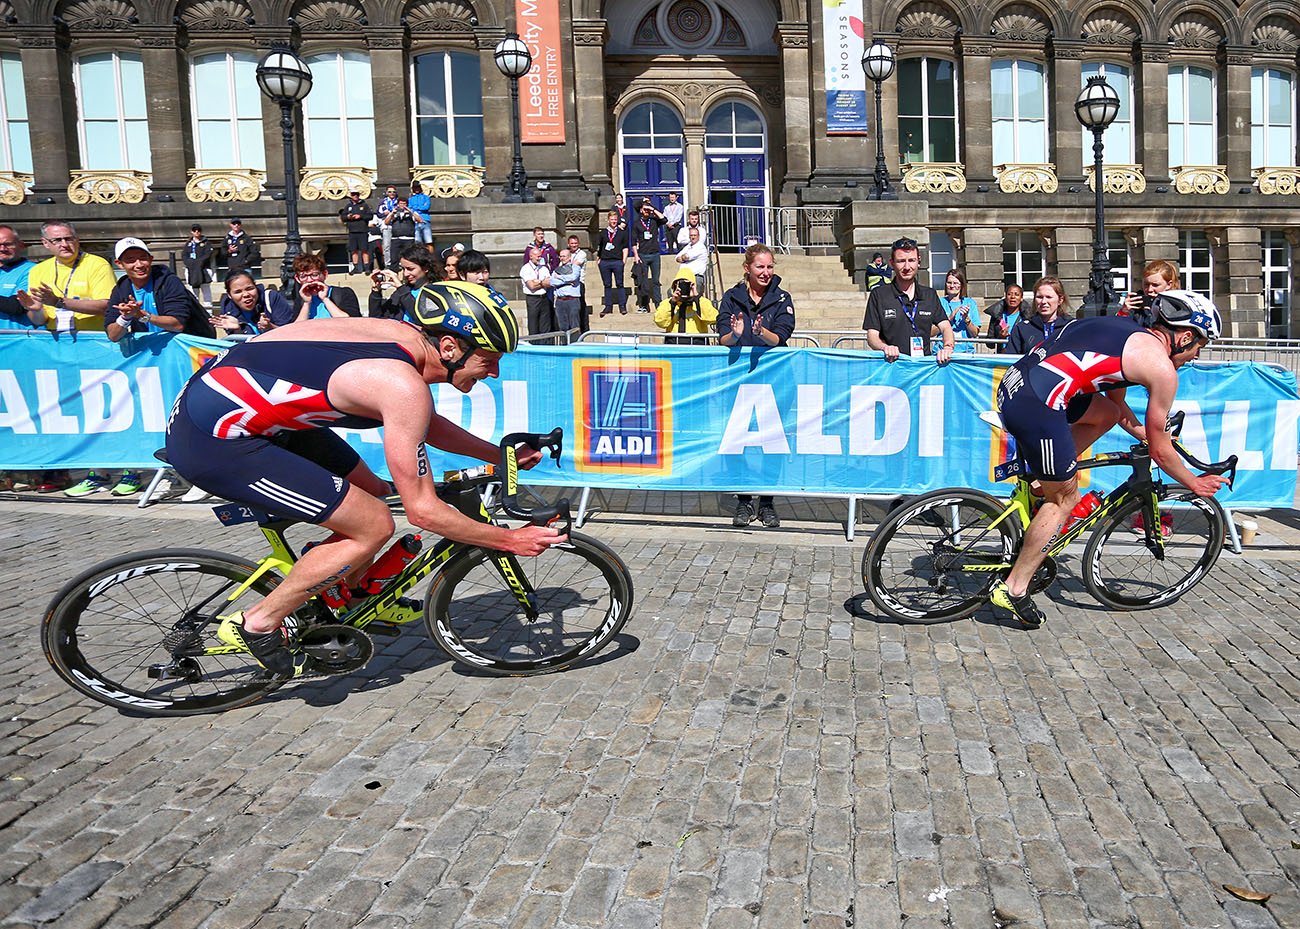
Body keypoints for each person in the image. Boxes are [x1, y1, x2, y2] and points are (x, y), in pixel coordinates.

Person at [164, 281, 562, 676]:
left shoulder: (406, 340)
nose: (493, 373)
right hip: (213, 438)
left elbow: (427, 424)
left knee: (374, 491)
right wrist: (510, 540)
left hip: (244, 411)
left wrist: (500, 455)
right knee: (372, 525)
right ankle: (262, 622)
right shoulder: (402, 385)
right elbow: (423, 512)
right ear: (450, 347)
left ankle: (351, 593)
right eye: (489, 360)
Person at [990, 290, 1227, 628]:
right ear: (1185, 336)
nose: (1195, 354)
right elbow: (1161, 451)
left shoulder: (1127, 332)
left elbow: (1117, 410)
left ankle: (1046, 481)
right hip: (1038, 402)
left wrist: (1145, 433)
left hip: (1017, 383)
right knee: (1066, 498)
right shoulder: (1162, 370)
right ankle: (1014, 588)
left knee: (1104, 412)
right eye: (1198, 346)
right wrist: (1193, 482)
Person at [716, 243, 795, 529]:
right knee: (739, 442)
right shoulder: (732, 298)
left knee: (772, 443)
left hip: (774, 381)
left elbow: (782, 336)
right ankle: (744, 499)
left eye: (770, 266)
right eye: (760, 267)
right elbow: (722, 338)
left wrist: (762, 333)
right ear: (748, 268)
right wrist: (735, 335)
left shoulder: (782, 297)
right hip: (739, 381)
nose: (766, 272)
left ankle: (768, 502)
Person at [862, 238, 955, 365]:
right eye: (901, 261)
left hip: (923, 369)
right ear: (892, 263)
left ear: (918, 262)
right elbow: (872, 336)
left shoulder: (929, 294)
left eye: (911, 260)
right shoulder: (879, 295)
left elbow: (945, 327)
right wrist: (885, 347)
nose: (907, 267)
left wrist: (948, 347)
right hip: (892, 367)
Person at [106, 237, 215, 340]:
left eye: (143, 258)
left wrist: (143, 315)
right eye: (130, 260)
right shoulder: (120, 290)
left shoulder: (169, 282)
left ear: (151, 259)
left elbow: (177, 325)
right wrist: (125, 318)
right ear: (119, 264)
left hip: (188, 350)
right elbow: (113, 336)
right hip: (150, 352)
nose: (139, 265)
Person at [20, 220, 116, 334]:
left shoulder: (98, 264)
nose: (64, 244)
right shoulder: (38, 270)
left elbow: (108, 307)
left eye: (69, 239)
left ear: (77, 240)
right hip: (57, 341)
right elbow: (39, 321)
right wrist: (36, 310)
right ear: (45, 243)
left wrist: (59, 302)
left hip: (93, 339)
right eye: (57, 240)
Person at [368, 243, 438, 322]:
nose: (405, 274)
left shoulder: (436, 292)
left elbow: (422, 318)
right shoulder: (401, 293)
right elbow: (377, 319)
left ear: (426, 268)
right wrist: (376, 291)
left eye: (410, 269)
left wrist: (401, 288)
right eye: (403, 269)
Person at [212, 270, 295, 335]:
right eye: (238, 292)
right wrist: (237, 330)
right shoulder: (228, 309)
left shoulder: (271, 298)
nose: (245, 294)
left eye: (250, 288)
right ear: (230, 295)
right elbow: (238, 345)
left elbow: (289, 334)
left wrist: (270, 327)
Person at [1006, 277, 1072, 355]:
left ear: (1060, 300)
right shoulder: (1022, 328)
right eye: (1039, 297)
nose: (1043, 301)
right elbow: (1011, 360)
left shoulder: (1071, 327)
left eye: (1049, 297)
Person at [290, 252, 360, 321]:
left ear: (325, 274)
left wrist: (325, 299)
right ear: (297, 279)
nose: (309, 280)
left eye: (314, 275)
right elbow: (296, 328)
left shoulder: (343, 293)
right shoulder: (300, 301)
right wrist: (306, 303)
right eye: (303, 276)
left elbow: (349, 321)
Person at [655, 265, 717, 342]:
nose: (684, 288)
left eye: (687, 285)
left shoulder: (702, 302)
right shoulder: (667, 303)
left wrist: (696, 298)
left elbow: (713, 318)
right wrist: (673, 302)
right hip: (673, 347)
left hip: (697, 348)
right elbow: (660, 322)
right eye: (681, 285)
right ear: (675, 286)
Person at [631, 198, 668, 312]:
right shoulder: (636, 224)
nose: (647, 210)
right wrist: (636, 256)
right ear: (640, 210)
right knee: (644, 281)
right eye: (644, 209)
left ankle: (658, 304)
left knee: (656, 281)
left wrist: (653, 209)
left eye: (648, 209)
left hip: (655, 254)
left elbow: (664, 219)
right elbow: (633, 241)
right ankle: (644, 305)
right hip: (643, 254)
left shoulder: (654, 220)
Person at [0, 225, 39, 328]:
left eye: (8, 244)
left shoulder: (33, 270)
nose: (3, 249)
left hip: (18, 339)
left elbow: (17, 306)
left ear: (21, 246)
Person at [1121, 259, 1179, 328]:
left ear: (1169, 284)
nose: (1149, 289)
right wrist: (1124, 312)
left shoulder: (1177, 306)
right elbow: (1119, 330)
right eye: (1146, 284)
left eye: (1155, 285)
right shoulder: (1135, 304)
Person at [939, 268, 981, 352]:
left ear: (961, 285)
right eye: (949, 283)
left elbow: (975, 333)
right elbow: (931, 332)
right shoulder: (940, 302)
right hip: (943, 351)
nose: (952, 286)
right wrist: (948, 319)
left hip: (966, 352)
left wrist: (966, 319)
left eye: (955, 283)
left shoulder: (970, 303)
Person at [596, 209, 629, 316]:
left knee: (620, 284)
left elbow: (625, 247)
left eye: (615, 219)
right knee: (607, 285)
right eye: (612, 219)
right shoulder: (603, 233)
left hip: (617, 261)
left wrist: (623, 260)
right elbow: (599, 246)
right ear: (608, 220)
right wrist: (599, 259)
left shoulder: (622, 232)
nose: (614, 221)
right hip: (605, 262)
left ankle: (622, 306)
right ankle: (608, 307)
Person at [520, 246, 554, 339]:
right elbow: (532, 286)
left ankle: (545, 345)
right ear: (531, 257)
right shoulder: (526, 269)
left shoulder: (544, 268)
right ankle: (534, 344)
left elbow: (549, 282)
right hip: (533, 299)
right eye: (537, 256)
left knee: (545, 325)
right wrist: (543, 282)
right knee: (534, 325)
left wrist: (538, 282)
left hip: (544, 297)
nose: (540, 258)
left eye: (540, 256)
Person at [339, 191, 374, 274]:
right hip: (352, 231)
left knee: (364, 250)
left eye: (357, 194)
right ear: (351, 196)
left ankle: (367, 267)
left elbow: (370, 216)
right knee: (353, 250)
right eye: (353, 194)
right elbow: (343, 217)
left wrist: (360, 216)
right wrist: (348, 216)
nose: (355, 196)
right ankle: (355, 267)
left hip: (362, 231)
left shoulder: (364, 205)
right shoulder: (348, 206)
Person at [181, 225, 215, 307]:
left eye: (198, 230)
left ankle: (208, 311)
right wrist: (190, 263)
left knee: (206, 290)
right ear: (191, 231)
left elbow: (208, 254)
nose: (196, 232)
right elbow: (184, 255)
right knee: (193, 291)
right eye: (194, 230)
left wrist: (198, 262)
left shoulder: (206, 243)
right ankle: (196, 311)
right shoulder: (188, 243)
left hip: (204, 270)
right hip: (191, 270)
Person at [551, 248, 583, 333]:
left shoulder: (575, 268)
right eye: (560, 256)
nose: (562, 258)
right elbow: (552, 282)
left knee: (574, 326)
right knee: (562, 327)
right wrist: (568, 282)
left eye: (564, 256)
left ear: (569, 257)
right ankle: (564, 345)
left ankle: (575, 344)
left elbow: (573, 277)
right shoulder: (556, 270)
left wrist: (559, 278)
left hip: (572, 300)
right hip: (560, 301)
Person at [985, 283, 1025, 347]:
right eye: (1009, 294)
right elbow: (989, 344)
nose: (1013, 297)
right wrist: (1001, 338)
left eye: (1016, 294)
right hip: (1002, 355)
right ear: (1005, 297)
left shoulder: (1027, 317)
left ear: (1021, 298)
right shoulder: (996, 315)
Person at [382, 197, 417, 268]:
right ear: (398, 204)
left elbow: (420, 220)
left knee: (409, 258)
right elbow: (386, 222)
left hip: (408, 239)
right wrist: (392, 213)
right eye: (401, 203)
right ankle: (394, 275)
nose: (403, 205)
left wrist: (411, 212)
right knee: (394, 259)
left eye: (404, 203)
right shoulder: (394, 212)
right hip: (396, 239)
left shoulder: (411, 212)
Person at [565, 234, 589, 332]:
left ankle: (584, 329)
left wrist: (564, 264)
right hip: (567, 284)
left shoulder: (582, 254)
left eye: (575, 243)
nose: (574, 245)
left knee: (581, 306)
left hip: (579, 283)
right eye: (572, 243)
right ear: (568, 244)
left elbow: (574, 265)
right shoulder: (566, 253)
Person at [675, 224, 708, 292]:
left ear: (698, 236)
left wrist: (683, 258)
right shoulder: (688, 246)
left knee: (694, 299)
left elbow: (687, 257)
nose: (693, 237)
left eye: (695, 235)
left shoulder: (700, 247)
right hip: (684, 276)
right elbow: (677, 258)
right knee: (671, 292)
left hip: (695, 277)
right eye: (691, 235)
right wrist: (683, 257)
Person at [375, 185, 399, 270]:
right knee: (387, 246)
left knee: (397, 245)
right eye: (390, 192)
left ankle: (398, 262)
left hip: (397, 225)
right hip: (387, 226)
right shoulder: (383, 202)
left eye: (393, 192)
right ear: (386, 193)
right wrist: (385, 214)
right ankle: (388, 264)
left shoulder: (399, 201)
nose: (392, 193)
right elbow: (378, 213)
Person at [408, 181, 432, 245]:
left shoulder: (426, 197)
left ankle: (430, 255)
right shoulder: (410, 199)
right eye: (415, 188)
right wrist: (421, 207)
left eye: (418, 187)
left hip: (425, 219)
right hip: (415, 221)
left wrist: (416, 207)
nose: (417, 189)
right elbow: (410, 208)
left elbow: (426, 207)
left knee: (428, 241)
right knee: (417, 242)